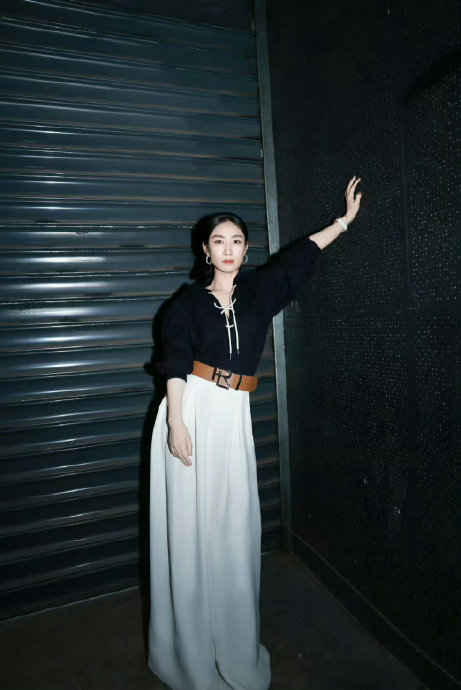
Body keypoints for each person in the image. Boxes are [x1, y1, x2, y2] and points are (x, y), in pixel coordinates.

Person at [148, 177, 363, 690]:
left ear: (246, 251)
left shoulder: (260, 293)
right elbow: (175, 361)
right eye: (218, 241)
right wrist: (176, 421)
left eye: (237, 241)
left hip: (233, 415)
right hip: (191, 411)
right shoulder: (185, 304)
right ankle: (192, 656)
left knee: (231, 530)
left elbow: (299, 257)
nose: (228, 249)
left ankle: (232, 646)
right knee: (190, 531)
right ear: (205, 250)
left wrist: (343, 222)